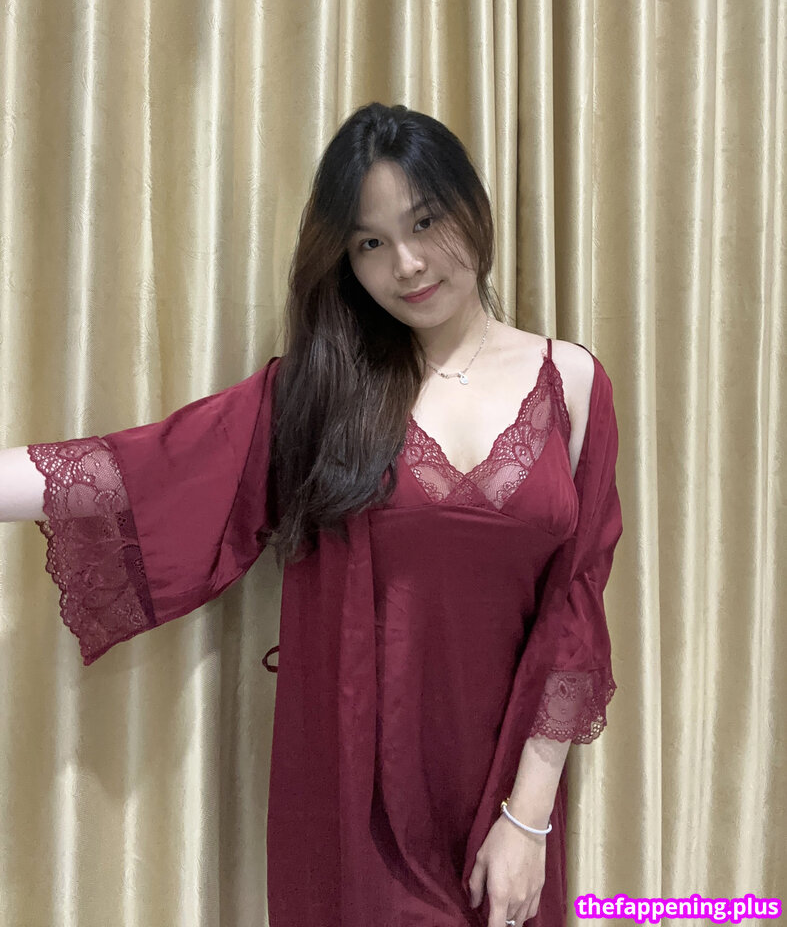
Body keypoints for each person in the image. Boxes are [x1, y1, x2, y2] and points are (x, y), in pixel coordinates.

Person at [0, 102, 623, 927]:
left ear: (471, 205)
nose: (406, 264)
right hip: (358, 801)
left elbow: (574, 609)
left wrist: (528, 818)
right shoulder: (322, 391)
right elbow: (144, 471)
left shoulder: (571, 382)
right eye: (369, 244)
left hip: (508, 798)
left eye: (423, 222)